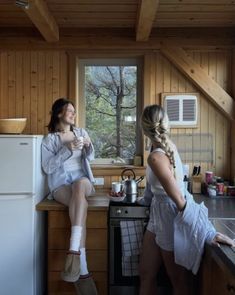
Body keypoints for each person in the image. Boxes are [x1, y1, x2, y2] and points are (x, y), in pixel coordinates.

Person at [139, 104, 235, 295]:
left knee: (178, 282)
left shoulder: (156, 158)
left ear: (144, 128)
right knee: (145, 273)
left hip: (170, 216)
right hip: (157, 213)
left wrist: (207, 231)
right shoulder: (162, 148)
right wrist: (144, 201)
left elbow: (180, 201)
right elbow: (154, 187)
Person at [41, 98, 98, 295]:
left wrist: (89, 145)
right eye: (69, 111)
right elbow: (47, 167)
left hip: (83, 182)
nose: (73, 114)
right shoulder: (50, 140)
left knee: (80, 184)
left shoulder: (81, 133)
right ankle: (81, 268)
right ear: (58, 114)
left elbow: (90, 158)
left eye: (74, 111)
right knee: (78, 198)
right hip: (61, 186)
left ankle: (74, 250)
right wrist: (67, 150)